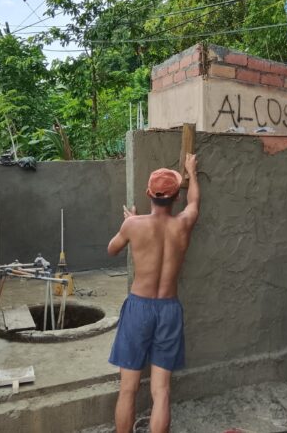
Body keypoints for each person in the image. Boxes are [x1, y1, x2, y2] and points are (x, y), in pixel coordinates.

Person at [107, 154, 200, 433]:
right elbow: (195, 202)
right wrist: (192, 172)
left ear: (149, 194)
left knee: (128, 389)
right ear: (175, 197)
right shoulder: (183, 223)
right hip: (168, 309)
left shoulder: (133, 225)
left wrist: (131, 225)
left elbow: (112, 249)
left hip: (139, 308)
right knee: (161, 391)